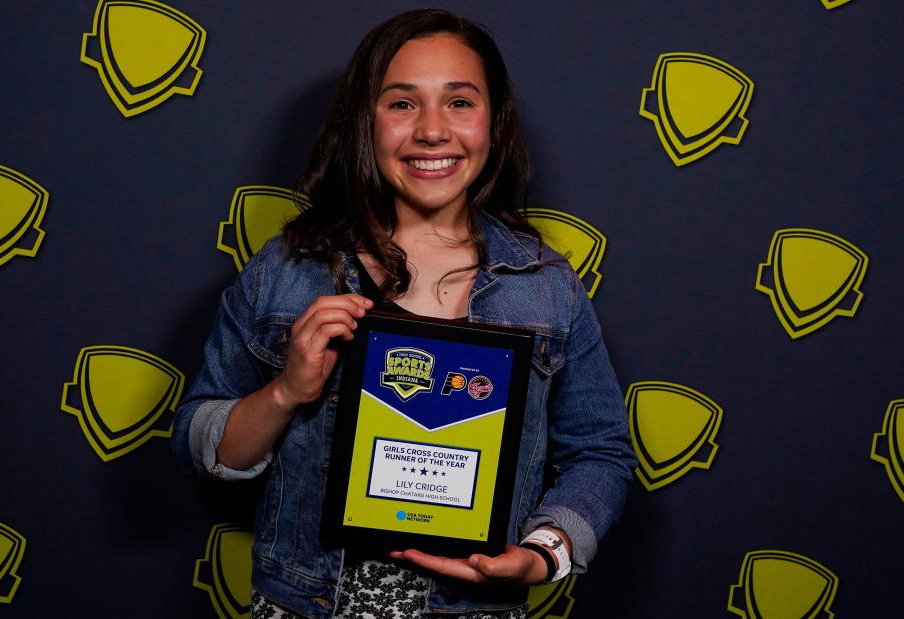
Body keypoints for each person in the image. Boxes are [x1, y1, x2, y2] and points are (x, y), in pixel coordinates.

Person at [172, 9, 635, 618]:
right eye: (402, 104)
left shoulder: (548, 288)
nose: (433, 131)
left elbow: (600, 452)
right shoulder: (287, 270)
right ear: (365, 123)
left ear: (495, 125)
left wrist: (546, 549)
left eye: (460, 103)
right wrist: (286, 391)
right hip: (306, 604)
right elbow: (200, 443)